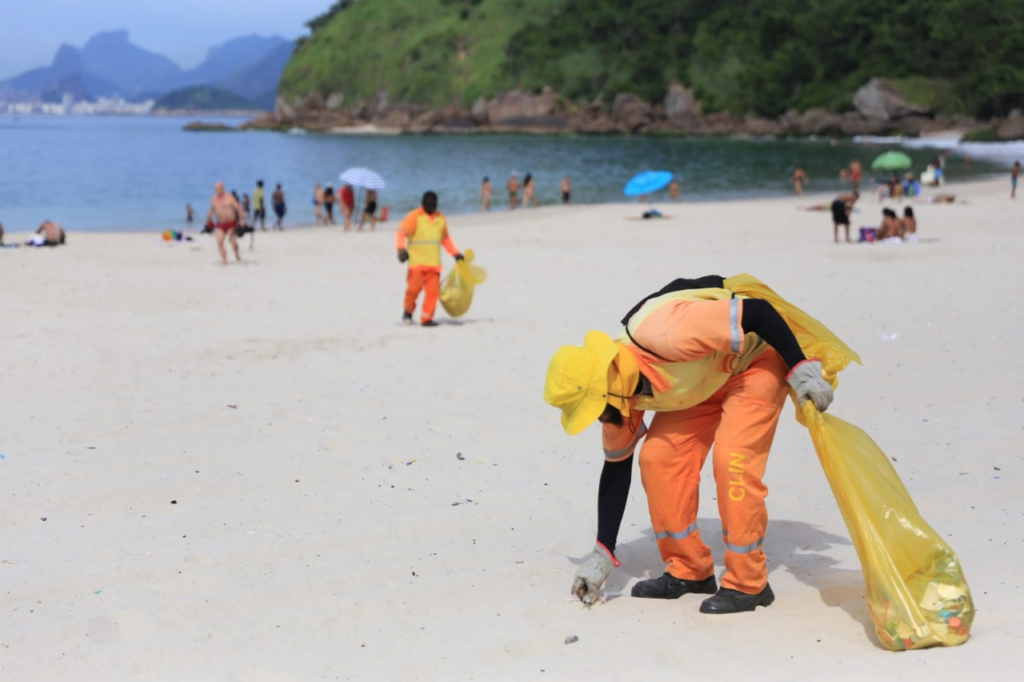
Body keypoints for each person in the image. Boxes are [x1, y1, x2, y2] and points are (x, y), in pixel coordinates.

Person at [543, 274, 836, 613]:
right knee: (658, 459)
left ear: (606, 387)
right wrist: (602, 551)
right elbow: (616, 467)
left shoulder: (664, 332)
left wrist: (800, 369)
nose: (599, 418)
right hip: (702, 382)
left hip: (754, 364)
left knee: (732, 461)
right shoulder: (619, 399)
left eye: (595, 410)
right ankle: (689, 570)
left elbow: (759, 312)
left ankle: (749, 583)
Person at [395, 191, 463, 327]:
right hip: (416, 263)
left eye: (434, 205)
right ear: (423, 204)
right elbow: (401, 233)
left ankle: (427, 318)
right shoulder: (414, 216)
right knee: (413, 290)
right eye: (429, 205)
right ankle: (408, 311)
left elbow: (445, 239)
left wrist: (455, 253)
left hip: (434, 264)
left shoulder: (441, 219)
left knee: (433, 293)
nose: (431, 207)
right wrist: (401, 249)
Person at [206, 181, 242, 265]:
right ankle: (224, 260)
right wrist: (208, 219)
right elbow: (212, 209)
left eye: (219, 188)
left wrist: (241, 220)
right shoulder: (213, 199)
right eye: (216, 189)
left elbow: (238, 208)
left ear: (223, 188)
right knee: (219, 242)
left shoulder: (229, 197)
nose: (218, 190)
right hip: (220, 224)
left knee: (233, 242)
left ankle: (236, 254)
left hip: (231, 223)